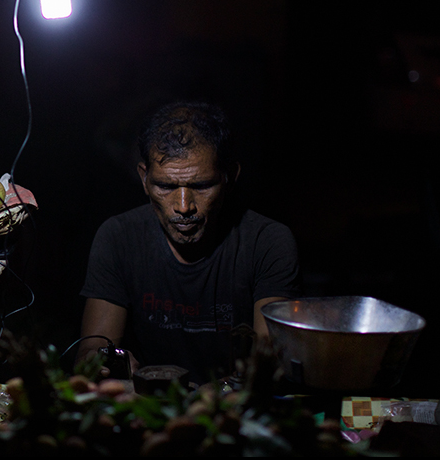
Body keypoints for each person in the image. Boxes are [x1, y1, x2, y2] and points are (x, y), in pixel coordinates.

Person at [76, 100, 300, 386]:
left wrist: (213, 395)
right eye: (166, 186)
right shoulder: (118, 238)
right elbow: (91, 349)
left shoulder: (267, 243)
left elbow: (271, 365)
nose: (183, 207)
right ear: (144, 179)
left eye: (202, 186)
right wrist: (101, 362)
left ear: (229, 177)